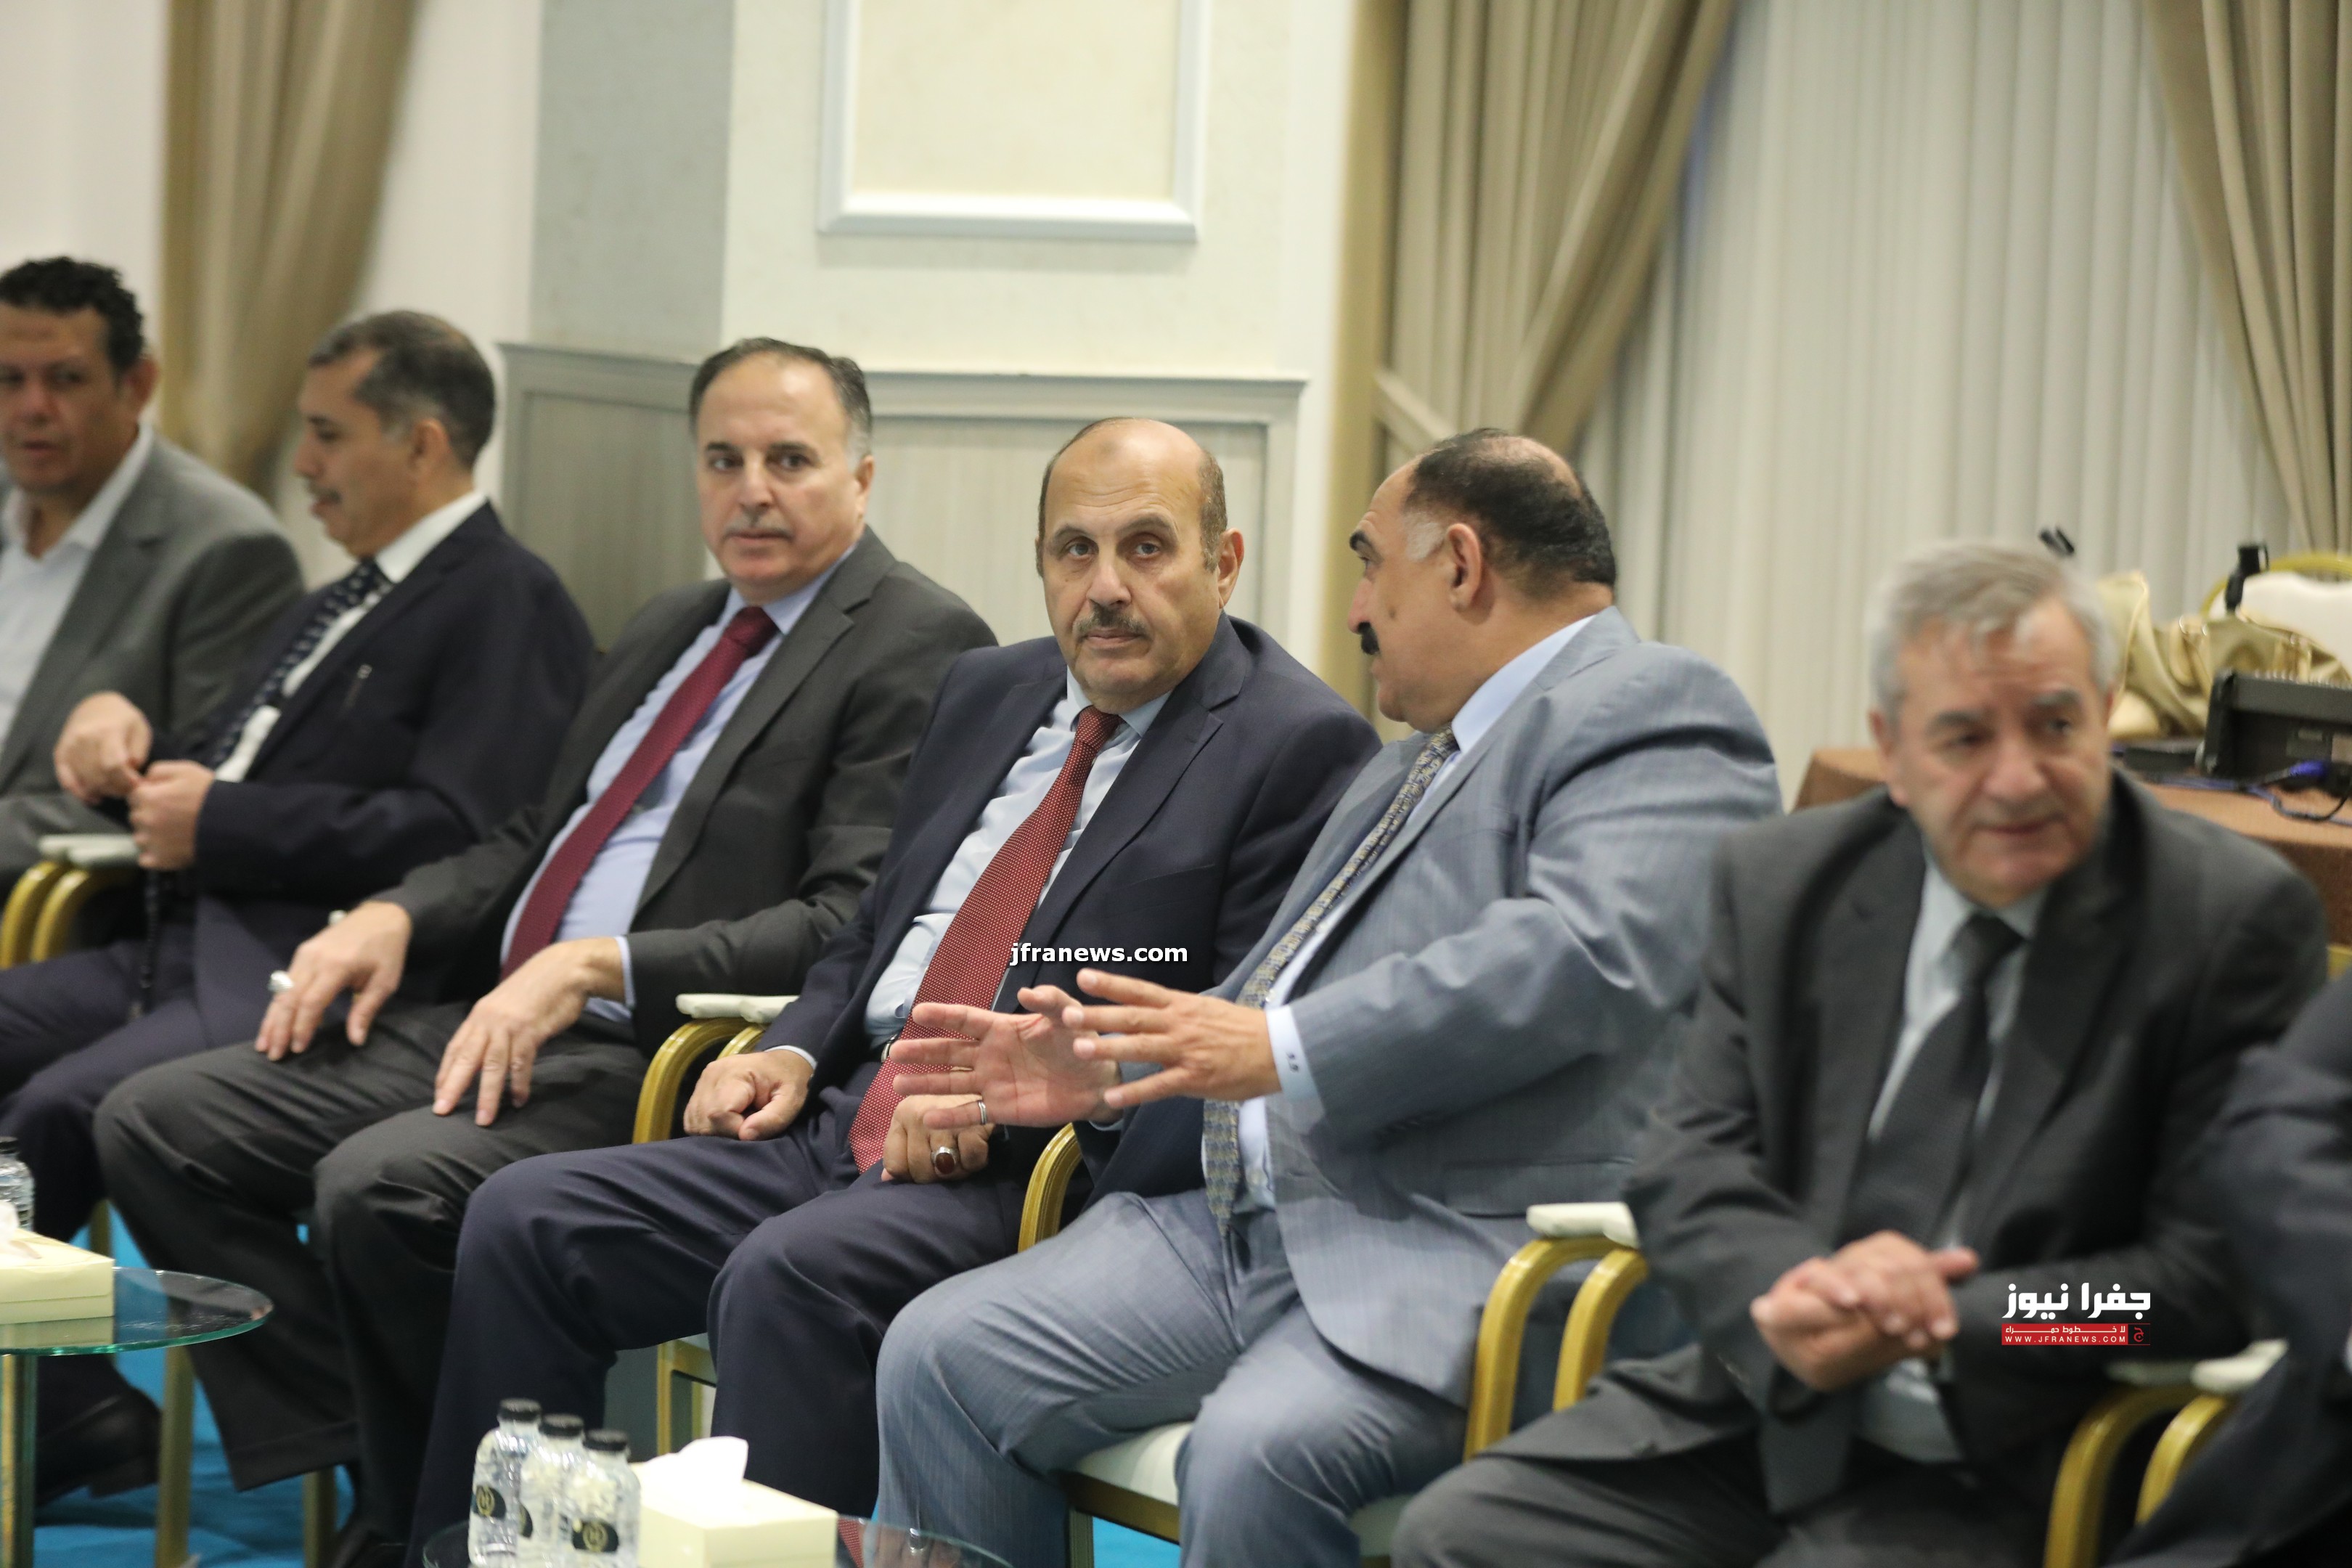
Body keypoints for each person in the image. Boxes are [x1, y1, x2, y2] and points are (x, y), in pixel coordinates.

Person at [404, 417, 1380, 1556]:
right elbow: (878, 924)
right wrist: (794, 1045)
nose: (1107, 588)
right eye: (1075, 550)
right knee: (523, 1220)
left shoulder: (1294, 745)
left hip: (1020, 1170)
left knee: (792, 1279)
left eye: (1147, 548)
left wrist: (1002, 1109)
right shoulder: (990, 689)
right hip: (841, 1114)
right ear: (1041, 562)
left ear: (1224, 560)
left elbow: (1225, 1041)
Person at [95, 338, 993, 1568]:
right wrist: (399, 913)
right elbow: (537, 833)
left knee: (381, 1187)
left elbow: (848, 916)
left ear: (863, 476)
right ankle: (393, 1464)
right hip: (489, 1007)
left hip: (652, 1044)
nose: (752, 492)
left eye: (790, 461)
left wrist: (598, 964)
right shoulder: (675, 622)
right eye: (723, 461)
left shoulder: (915, 637)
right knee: (159, 1123)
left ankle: (433, 1523)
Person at [873, 428, 1784, 1568]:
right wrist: (1104, 1070)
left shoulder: (1654, 706)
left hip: (1459, 1254)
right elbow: (1258, 1004)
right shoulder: (1408, 764)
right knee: (936, 1355)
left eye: (1370, 567)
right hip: (1245, 1227)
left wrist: (1279, 1046)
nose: (1355, 611)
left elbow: (1579, 956)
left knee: (1254, 1458)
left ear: (1461, 565)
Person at [1391, 541, 2329, 1568]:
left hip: (2024, 1450)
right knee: (1462, 1537)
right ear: (1892, 751)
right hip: (1764, 1412)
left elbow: (2202, 1285)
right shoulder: (1791, 882)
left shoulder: (2222, 922)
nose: (2019, 778)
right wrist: (1793, 1289)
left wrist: (1958, 1317)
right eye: (1964, 737)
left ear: (2107, 716)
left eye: (2056, 725)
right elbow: (1689, 1167)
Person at [9, 309, 593, 1505]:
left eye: (329, 435)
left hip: (309, 966)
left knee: (63, 1111)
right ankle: (74, 1407)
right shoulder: (343, 595)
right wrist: (123, 739)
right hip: (179, 941)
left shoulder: (505, 600)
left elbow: (470, 835)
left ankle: (349, 1435)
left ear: (422, 443)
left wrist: (219, 822)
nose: (306, 464)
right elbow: (228, 764)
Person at [0, 256, 301, 881]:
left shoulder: (227, 550)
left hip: (54, 900)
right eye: (7, 379)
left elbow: (189, 800)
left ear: (137, 385)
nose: (32, 408)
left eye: (66, 380)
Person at [2110, 979, 2352, 1564]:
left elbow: (2185, 1296)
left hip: (2073, 1412)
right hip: (1877, 1405)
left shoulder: (2209, 943)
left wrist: (1969, 1320)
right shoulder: (1886, 947)